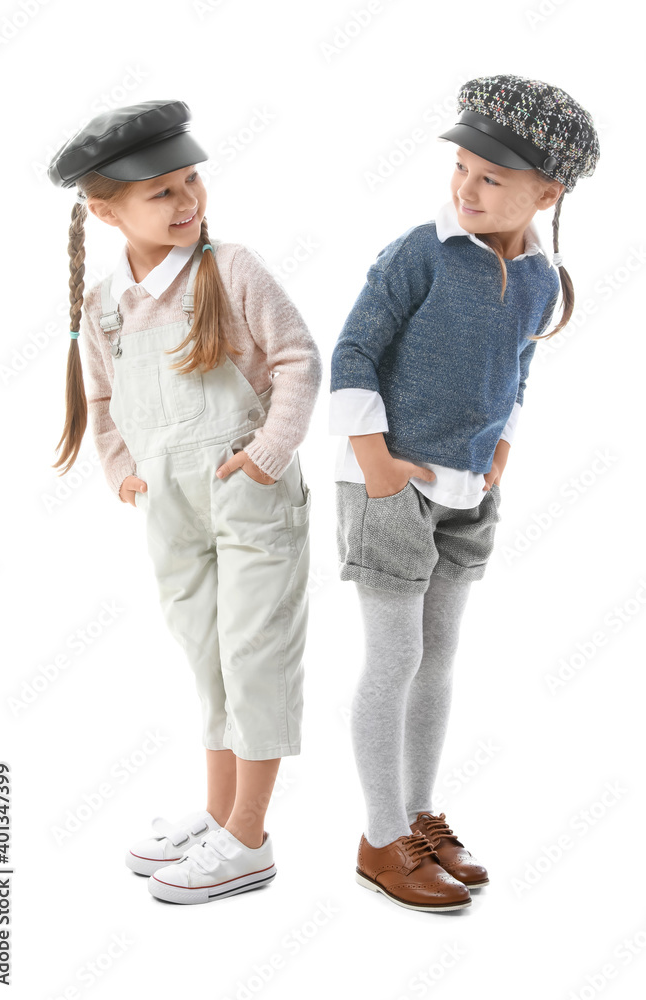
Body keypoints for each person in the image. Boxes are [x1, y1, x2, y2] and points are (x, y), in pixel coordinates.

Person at [329, 74, 600, 912]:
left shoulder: (541, 280)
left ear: (546, 193)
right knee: (396, 655)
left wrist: (505, 447)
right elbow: (354, 351)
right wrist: (373, 458)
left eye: (493, 177)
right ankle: (380, 838)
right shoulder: (423, 250)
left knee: (439, 656)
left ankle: (416, 815)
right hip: (390, 484)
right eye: (462, 168)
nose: (467, 188)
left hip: (467, 488)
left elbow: (516, 369)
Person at [47, 100, 322, 905]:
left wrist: (269, 454)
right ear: (104, 212)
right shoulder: (103, 305)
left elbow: (298, 360)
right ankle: (217, 814)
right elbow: (101, 400)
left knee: (253, 655)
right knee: (208, 659)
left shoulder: (230, 268)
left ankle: (250, 837)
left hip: (248, 495)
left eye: (190, 179)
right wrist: (121, 468)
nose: (186, 200)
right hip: (168, 502)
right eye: (160, 192)